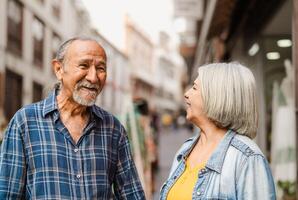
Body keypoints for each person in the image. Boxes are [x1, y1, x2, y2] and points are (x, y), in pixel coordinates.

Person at [0, 37, 145, 199]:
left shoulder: (113, 129)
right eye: (84, 66)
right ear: (59, 69)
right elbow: (7, 194)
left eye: (101, 68)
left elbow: (132, 194)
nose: (93, 77)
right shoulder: (25, 122)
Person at [160, 62, 276, 199]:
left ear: (216, 96)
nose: (186, 94)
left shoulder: (247, 158)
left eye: (195, 88)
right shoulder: (184, 150)